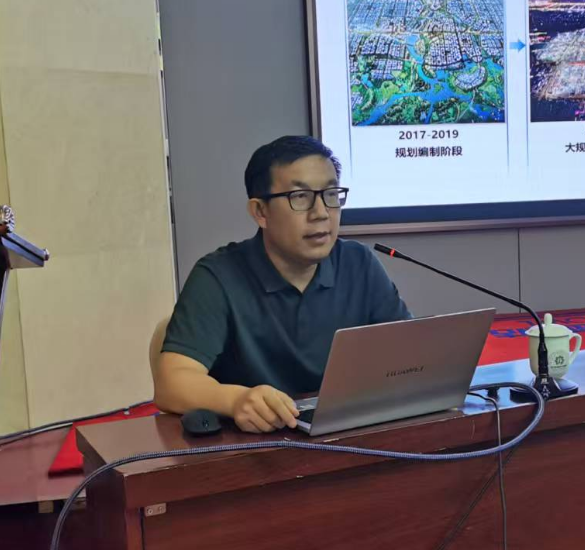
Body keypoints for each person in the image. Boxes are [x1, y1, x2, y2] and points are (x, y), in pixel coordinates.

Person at [154, 135, 412, 432]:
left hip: (345, 434)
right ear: (260, 212)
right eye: (299, 197)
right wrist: (236, 400)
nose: (321, 213)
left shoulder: (358, 263)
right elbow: (172, 383)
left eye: (330, 194)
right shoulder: (218, 277)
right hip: (256, 445)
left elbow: (409, 356)